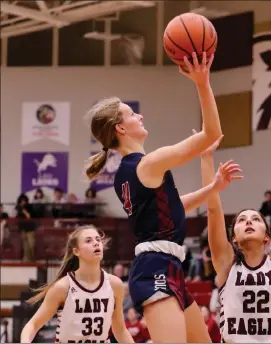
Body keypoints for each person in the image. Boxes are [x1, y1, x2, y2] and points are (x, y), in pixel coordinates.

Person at [85, 52, 237, 343]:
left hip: (169, 267)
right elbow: (212, 133)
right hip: (155, 268)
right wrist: (203, 82)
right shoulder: (148, 163)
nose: (140, 116)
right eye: (132, 114)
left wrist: (213, 187)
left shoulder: (127, 172)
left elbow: (173, 208)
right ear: (120, 128)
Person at [201, 126, 271, 343]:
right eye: (241, 220)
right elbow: (213, 210)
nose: (249, 221)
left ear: (267, 236)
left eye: (256, 219)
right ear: (234, 238)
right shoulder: (226, 264)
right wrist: (205, 157)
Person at [20, 225, 134, 343]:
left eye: (98, 239)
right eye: (88, 241)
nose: (96, 243)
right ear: (76, 251)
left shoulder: (115, 284)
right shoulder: (63, 287)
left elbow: (120, 330)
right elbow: (33, 325)